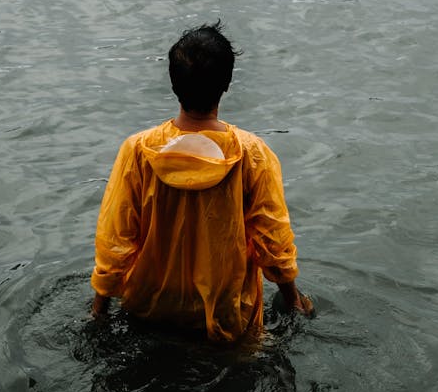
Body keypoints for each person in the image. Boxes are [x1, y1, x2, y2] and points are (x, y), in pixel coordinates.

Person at [90, 22, 312, 343]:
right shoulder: (252, 153)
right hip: (225, 314)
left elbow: (116, 238)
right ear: (227, 83)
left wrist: (99, 310)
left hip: (149, 308)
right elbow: (272, 238)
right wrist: (292, 298)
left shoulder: (138, 150)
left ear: (173, 83)